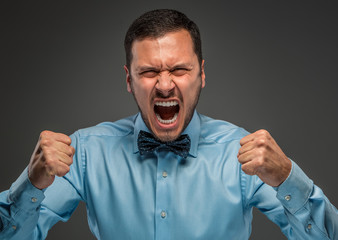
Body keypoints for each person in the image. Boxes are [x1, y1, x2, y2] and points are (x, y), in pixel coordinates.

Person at [0, 9, 337, 240]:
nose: (164, 85)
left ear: (202, 74)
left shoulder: (242, 154)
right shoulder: (86, 152)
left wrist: (288, 177)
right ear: (129, 80)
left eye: (179, 70)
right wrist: (30, 184)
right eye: (149, 72)